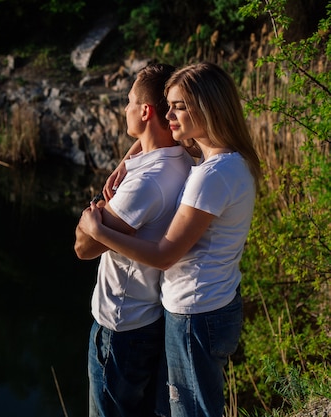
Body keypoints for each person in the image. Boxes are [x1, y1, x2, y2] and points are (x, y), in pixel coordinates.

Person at [78, 61, 262, 417]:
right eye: (168, 106)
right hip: (209, 305)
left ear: (206, 108)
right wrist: (128, 159)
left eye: (179, 107)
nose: (170, 115)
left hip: (196, 312)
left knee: (192, 411)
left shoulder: (210, 176)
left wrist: (99, 230)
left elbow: (164, 255)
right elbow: (158, 140)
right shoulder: (224, 160)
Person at [74, 63, 194, 417]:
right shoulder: (182, 161)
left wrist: (93, 211)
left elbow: (83, 248)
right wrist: (127, 160)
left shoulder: (144, 183)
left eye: (129, 101)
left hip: (120, 329)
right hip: (149, 319)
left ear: (144, 111)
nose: (123, 108)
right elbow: (150, 151)